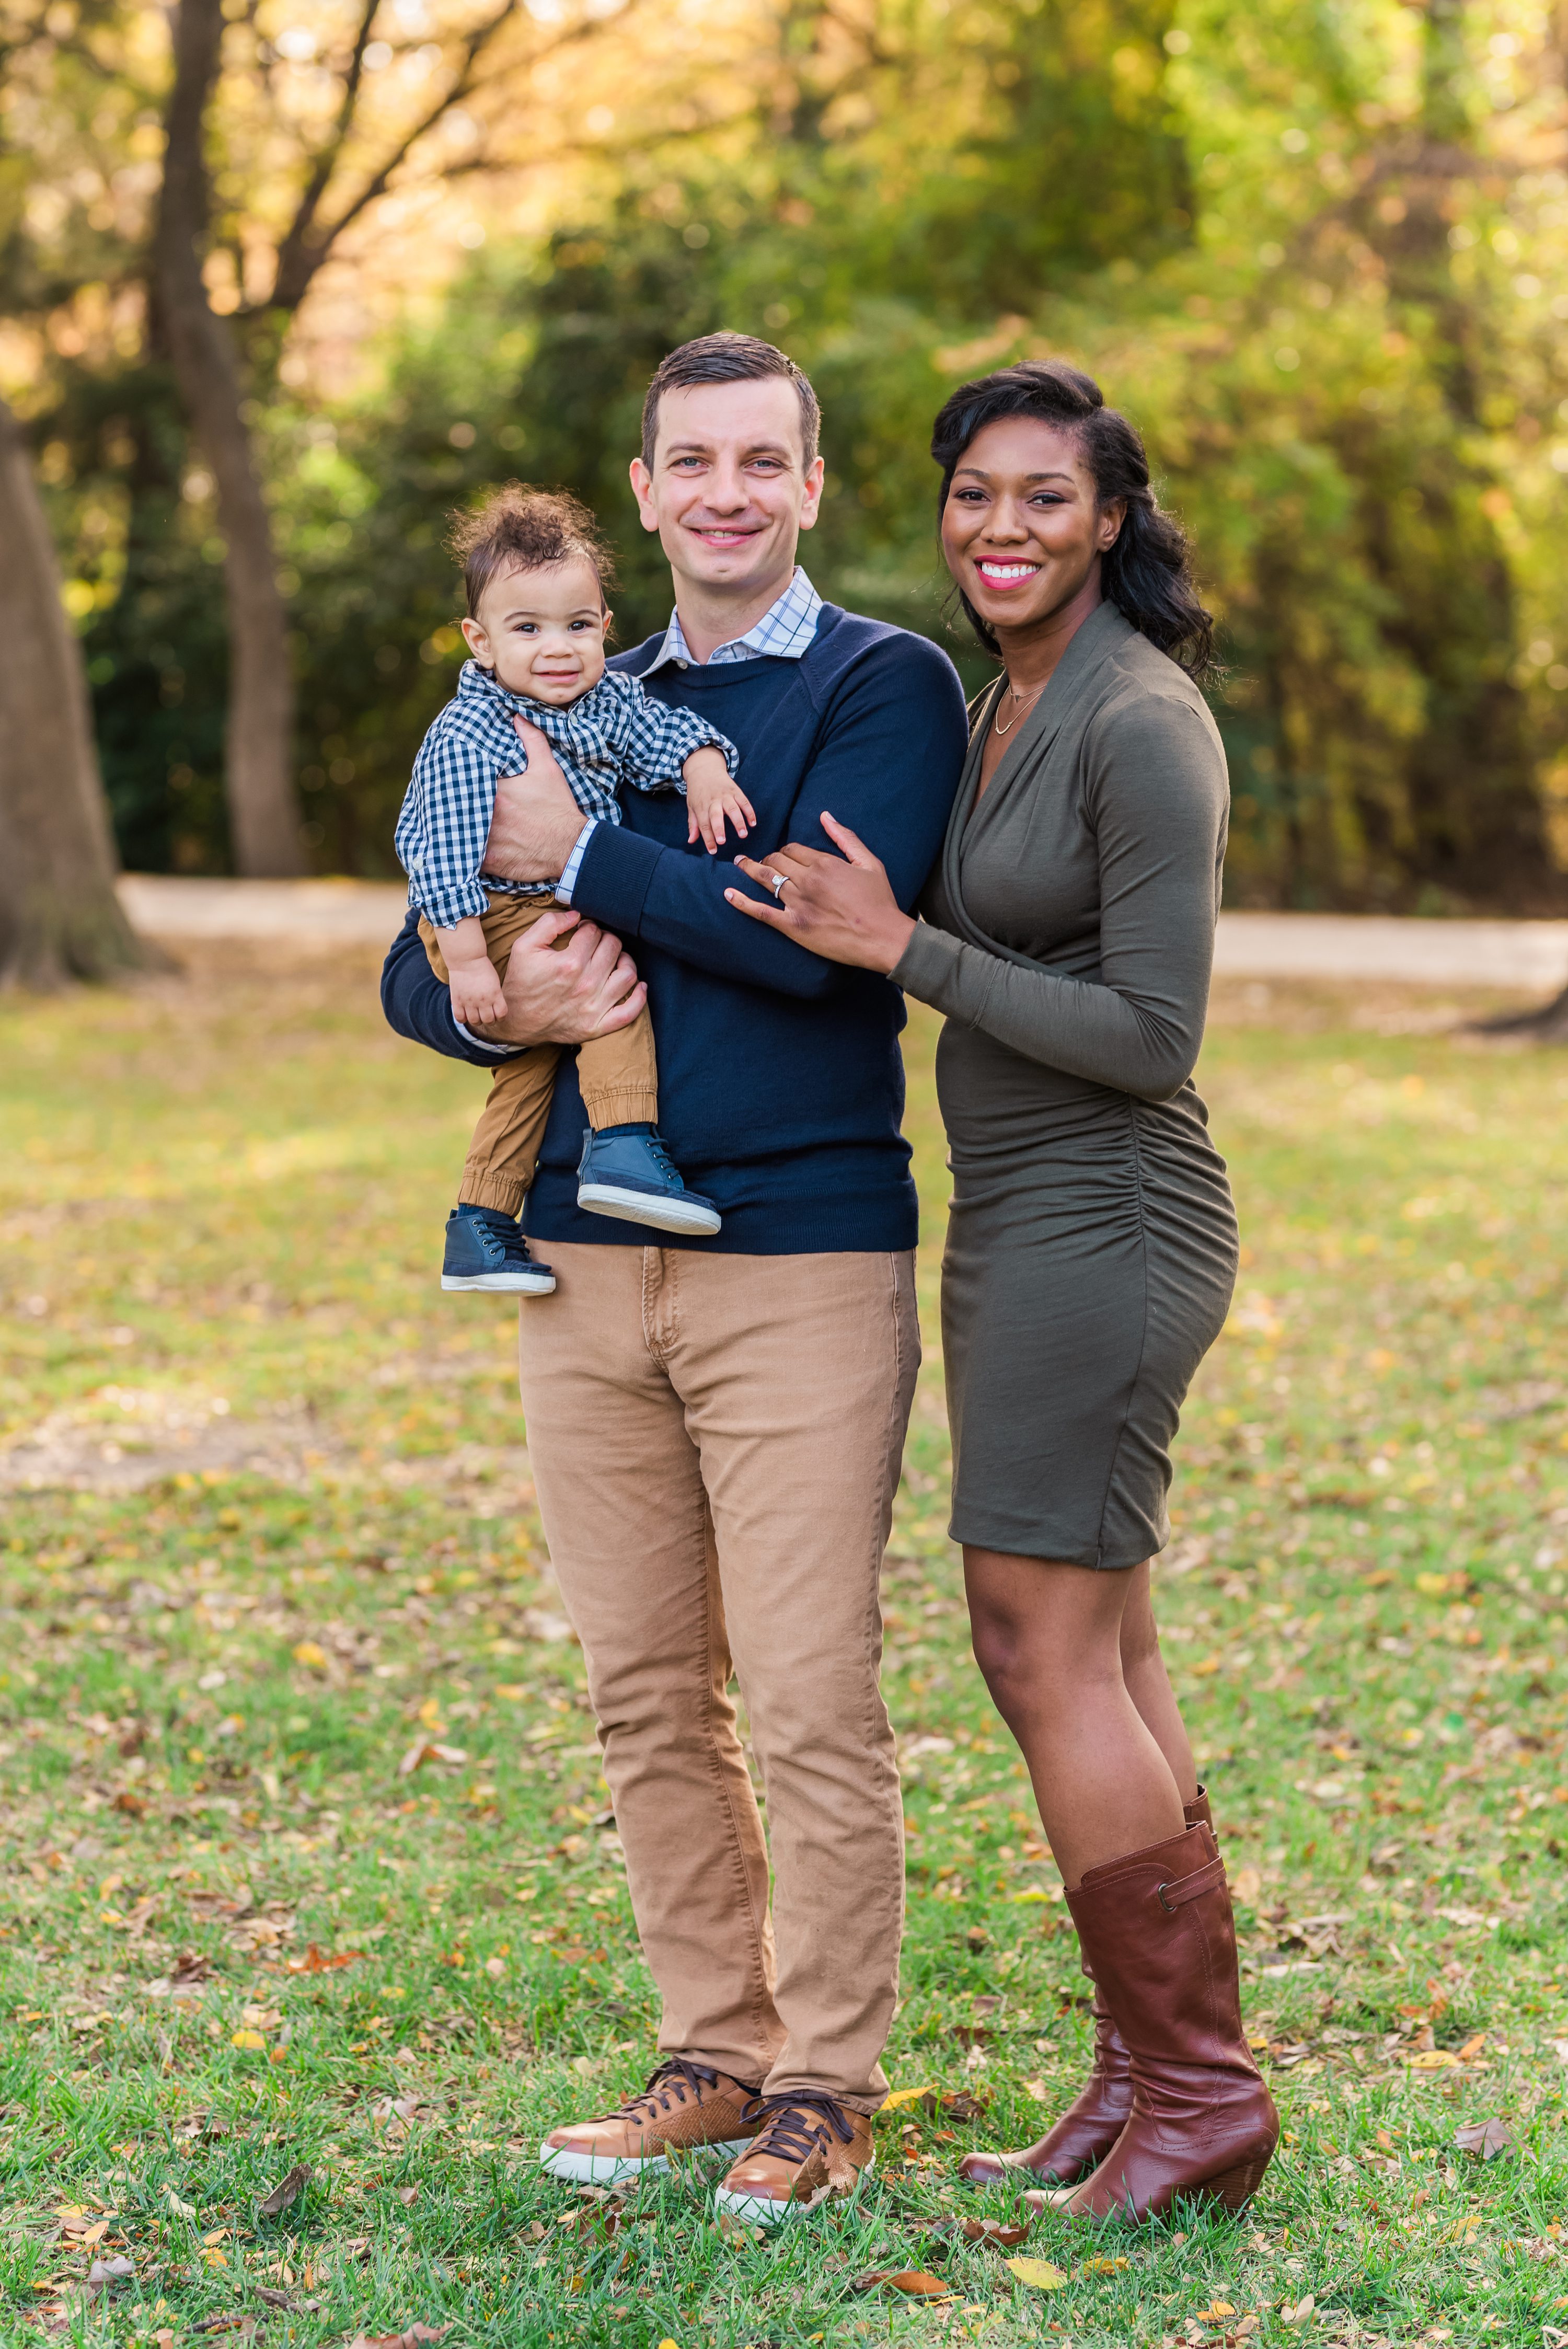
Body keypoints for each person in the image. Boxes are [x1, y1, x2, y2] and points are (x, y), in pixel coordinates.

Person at [381, 332, 970, 2223]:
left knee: (806, 1690)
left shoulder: (887, 683)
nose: (724, 489)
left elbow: (823, 948)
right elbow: (417, 946)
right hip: (574, 1257)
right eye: (688, 460)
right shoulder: (562, 678)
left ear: (811, 486)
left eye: (760, 460)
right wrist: (501, 991)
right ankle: (715, 2051)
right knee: (644, 1688)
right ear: (642, 493)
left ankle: (828, 2083)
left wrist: (588, 859)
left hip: (799, 1254)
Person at [725, 358, 1278, 2224]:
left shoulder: (1140, 718)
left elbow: (1153, 1030)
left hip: (1110, 1222)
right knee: (1092, 1648)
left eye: (1044, 495)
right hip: (1022, 1221)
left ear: (1112, 515)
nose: (1002, 527)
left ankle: (1201, 2093)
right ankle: (1144, 2084)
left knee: (1043, 1649)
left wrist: (910, 947)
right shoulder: (1003, 698)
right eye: (974, 493)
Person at [396, 483, 754, 1294]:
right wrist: (475, 967)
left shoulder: (605, 699)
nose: (558, 647)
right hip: (479, 914)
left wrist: (702, 770)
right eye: (528, 629)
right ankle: (624, 1143)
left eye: (579, 625)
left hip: (536, 909)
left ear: (605, 628)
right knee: (611, 989)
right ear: (479, 641)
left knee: (529, 1070)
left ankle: (478, 1222)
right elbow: (443, 857)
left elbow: (665, 733)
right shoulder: (471, 730)